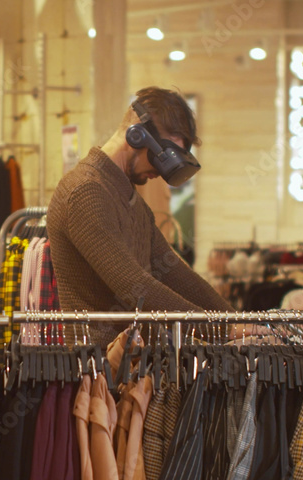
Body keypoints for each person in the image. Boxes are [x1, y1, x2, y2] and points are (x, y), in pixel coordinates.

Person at [48, 86, 234, 347]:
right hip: (95, 371)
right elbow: (133, 285)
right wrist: (221, 330)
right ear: (136, 136)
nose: (161, 171)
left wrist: (235, 320)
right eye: (161, 158)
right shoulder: (86, 192)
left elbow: (171, 270)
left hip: (132, 364)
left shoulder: (128, 195)